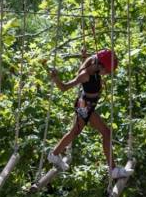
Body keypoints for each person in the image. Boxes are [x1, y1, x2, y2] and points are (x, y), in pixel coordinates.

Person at [46, 48, 133, 179]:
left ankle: (54, 154)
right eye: (107, 71)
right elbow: (64, 88)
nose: (107, 74)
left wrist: (83, 56)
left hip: (88, 104)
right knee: (105, 132)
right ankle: (113, 170)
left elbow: (91, 61)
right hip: (85, 105)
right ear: (100, 66)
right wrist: (55, 78)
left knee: (75, 131)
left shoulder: (92, 60)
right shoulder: (85, 75)